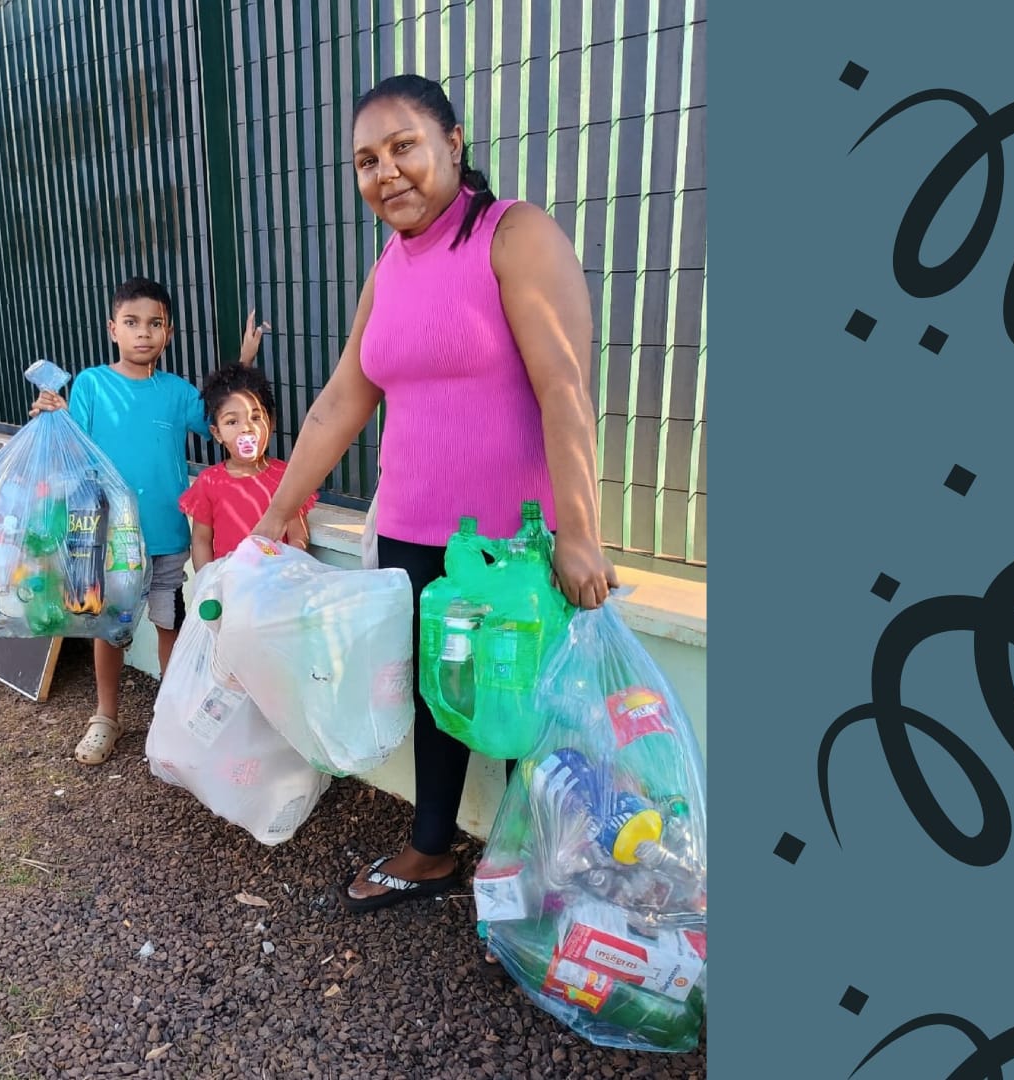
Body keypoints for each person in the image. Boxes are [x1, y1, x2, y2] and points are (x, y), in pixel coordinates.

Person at [250, 75, 620, 916]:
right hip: (416, 533)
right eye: (366, 161)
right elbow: (342, 398)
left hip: (510, 546)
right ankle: (431, 849)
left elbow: (564, 386)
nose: (387, 173)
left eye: (404, 146)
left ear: (454, 142)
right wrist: (278, 512)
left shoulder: (512, 234)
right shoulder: (388, 267)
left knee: (525, 710)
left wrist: (581, 532)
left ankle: (555, 879)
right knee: (439, 692)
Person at [31, 276, 265, 765]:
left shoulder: (177, 392)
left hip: (169, 538)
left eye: (154, 324)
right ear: (112, 328)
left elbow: (220, 418)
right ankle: (106, 718)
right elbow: (72, 445)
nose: (144, 334)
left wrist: (242, 366)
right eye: (132, 323)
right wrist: (52, 413)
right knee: (109, 630)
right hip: (110, 541)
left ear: (169, 332)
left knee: (169, 627)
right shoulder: (92, 384)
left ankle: (170, 715)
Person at [179, 364, 316, 571]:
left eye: (255, 418)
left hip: (277, 584)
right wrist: (206, 585)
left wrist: (284, 566)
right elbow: (201, 540)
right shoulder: (208, 482)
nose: (246, 428)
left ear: (271, 423)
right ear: (217, 433)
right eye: (232, 422)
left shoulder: (287, 477)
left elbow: (300, 535)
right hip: (230, 585)